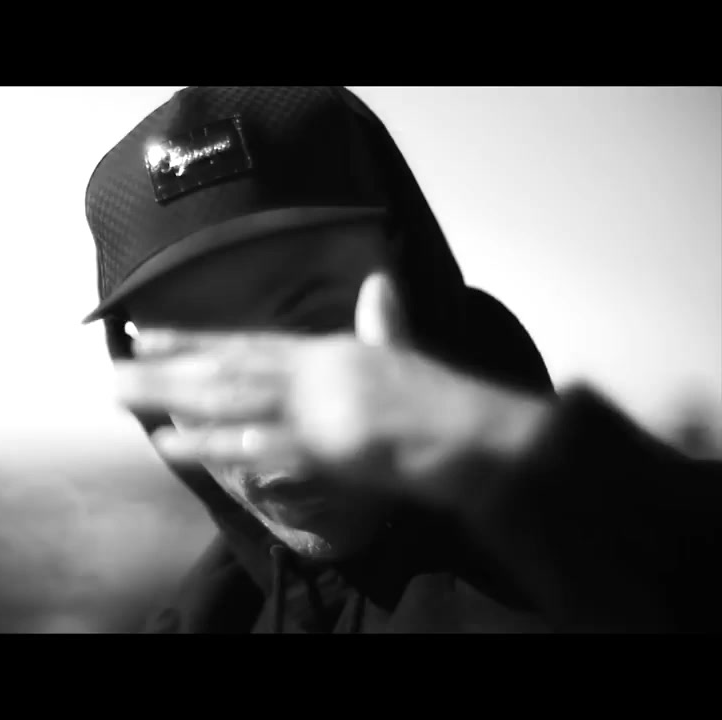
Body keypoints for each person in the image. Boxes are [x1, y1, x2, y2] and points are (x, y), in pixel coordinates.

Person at [82, 86, 722, 633]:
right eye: (192, 360)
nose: (257, 426)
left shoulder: (596, 588)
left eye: (310, 322)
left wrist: (490, 443)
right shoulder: (206, 616)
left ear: (414, 280)